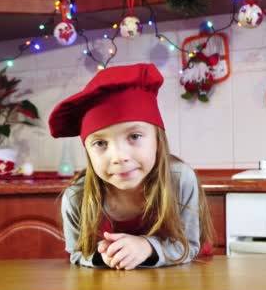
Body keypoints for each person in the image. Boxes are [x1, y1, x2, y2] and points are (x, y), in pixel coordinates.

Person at [48, 63, 213, 269]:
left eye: (134, 136)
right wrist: (102, 256)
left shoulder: (179, 179)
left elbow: (188, 245)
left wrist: (147, 247)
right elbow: (76, 253)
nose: (118, 157)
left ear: (158, 140)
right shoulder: (76, 198)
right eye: (100, 143)